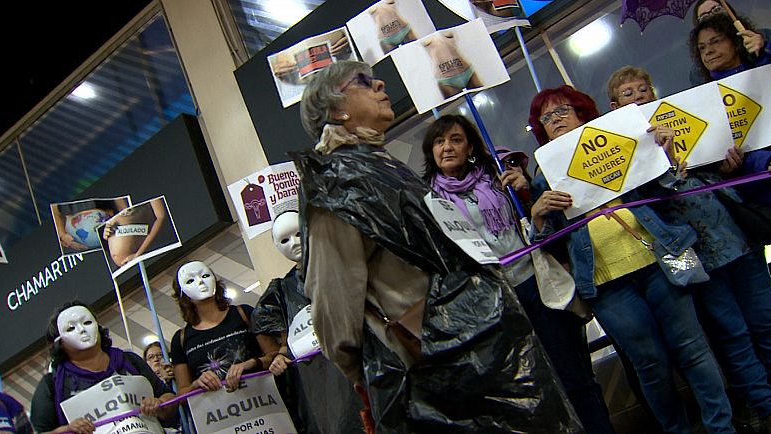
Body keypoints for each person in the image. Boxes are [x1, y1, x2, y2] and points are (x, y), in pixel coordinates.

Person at [293, 60, 582, 432]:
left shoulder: (380, 165)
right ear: (338, 109)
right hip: (435, 364)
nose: (380, 83)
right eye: (363, 82)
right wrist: (364, 370)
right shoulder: (333, 184)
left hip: (478, 343)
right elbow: (333, 300)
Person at [529, 85, 735, 434]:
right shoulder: (543, 179)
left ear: (582, 112)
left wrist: (665, 157)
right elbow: (551, 247)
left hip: (662, 261)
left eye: (562, 110)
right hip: (607, 286)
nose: (555, 121)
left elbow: (664, 195)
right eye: (545, 118)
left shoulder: (620, 145)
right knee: (649, 364)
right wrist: (537, 219)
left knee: (693, 349)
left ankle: (722, 429)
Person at [608, 65, 771, 434]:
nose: (638, 96)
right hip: (693, 257)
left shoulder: (685, 118)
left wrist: (736, 163)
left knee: (770, 323)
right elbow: (642, 205)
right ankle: (770, 410)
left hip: (734, 237)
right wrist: (665, 163)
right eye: (628, 93)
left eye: (643, 89)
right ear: (614, 106)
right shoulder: (617, 158)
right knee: (733, 336)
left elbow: (731, 154)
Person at [421, 115, 614, 434]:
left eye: (455, 139)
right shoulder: (428, 201)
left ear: (470, 146)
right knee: (532, 390)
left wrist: (525, 196)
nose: (447, 147)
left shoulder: (499, 177)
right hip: (493, 304)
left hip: (535, 285)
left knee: (575, 377)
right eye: (439, 142)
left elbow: (540, 226)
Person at [690, 14, 771, 260]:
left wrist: (767, 51)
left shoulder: (766, 65)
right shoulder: (703, 103)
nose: (708, 51)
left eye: (716, 41)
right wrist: (765, 160)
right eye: (702, 47)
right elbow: (724, 154)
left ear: (735, 40)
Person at [250, 210, 362, 434]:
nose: (294, 243)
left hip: (359, 363)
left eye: (298, 233)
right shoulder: (282, 292)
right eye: (284, 240)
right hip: (319, 380)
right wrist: (280, 356)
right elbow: (284, 342)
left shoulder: (345, 266)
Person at [30, 302, 175, 434]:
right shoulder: (52, 385)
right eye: (71, 328)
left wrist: (160, 404)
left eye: (87, 322)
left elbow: (169, 397)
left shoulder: (129, 360)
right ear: (59, 342)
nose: (82, 330)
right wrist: (68, 430)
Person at [170, 261, 264, 396]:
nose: (200, 283)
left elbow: (273, 354)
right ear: (182, 293)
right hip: (220, 412)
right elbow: (182, 392)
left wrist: (250, 364)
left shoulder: (244, 313)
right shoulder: (181, 339)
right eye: (190, 280)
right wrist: (197, 384)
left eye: (205, 276)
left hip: (264, 401)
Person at [688, 0, 771, 87]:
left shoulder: (766, 39)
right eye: (704, 17)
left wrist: (765, 51)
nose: (712, 17)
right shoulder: (699, 70)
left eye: (717, 10)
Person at [102, 198, 172, 268]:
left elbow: (161, 217)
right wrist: (106, 232)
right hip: (117, 267)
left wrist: (138, 254)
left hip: (145, 256)